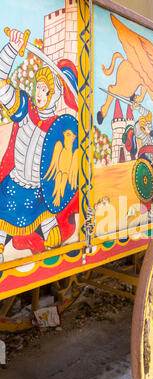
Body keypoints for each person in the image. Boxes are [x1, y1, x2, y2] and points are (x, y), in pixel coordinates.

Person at [0, 29, 78, 262]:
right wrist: (12, 49)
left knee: (53, 234)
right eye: (38, 87)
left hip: (38, 194)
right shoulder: (24, 109)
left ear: (55, 95)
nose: (39, 93)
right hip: (12, 187)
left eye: (45, 89)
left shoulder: (62, 129)